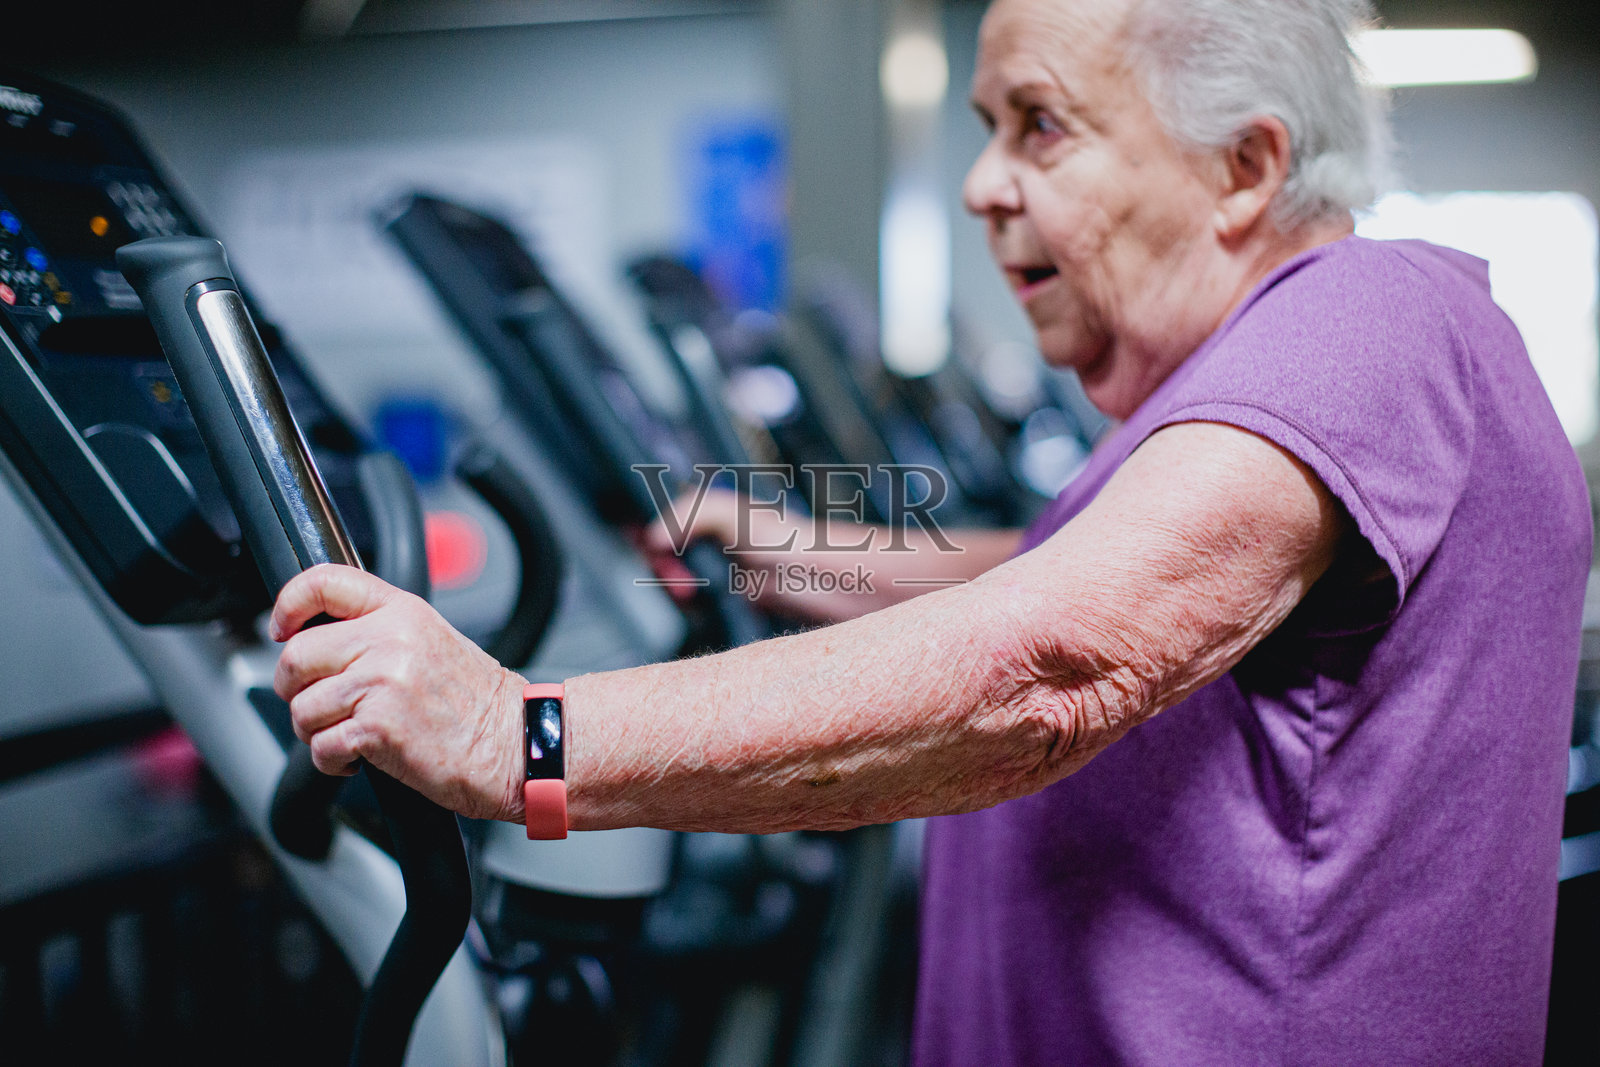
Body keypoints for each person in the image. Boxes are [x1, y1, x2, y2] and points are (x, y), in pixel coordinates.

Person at [268, 0, 1592, 1061]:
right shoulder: (1244, 392)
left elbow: (1053, 659)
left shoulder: (1364, 319)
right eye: (984, 125)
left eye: (1039, 128)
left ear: (1243, 169)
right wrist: (775, 545)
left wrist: (515, 739)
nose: (979, 185)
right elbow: (1032, 575)